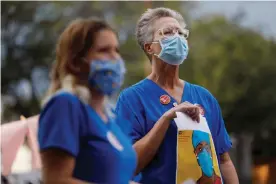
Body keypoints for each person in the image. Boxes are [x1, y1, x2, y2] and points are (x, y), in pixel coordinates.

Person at [115, 7, 239, 184]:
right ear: (149, 47)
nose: (177, 37)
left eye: (180, 33)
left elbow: (224, 160)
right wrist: (166, 119)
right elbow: (127, 165)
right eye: (167, 32)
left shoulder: (204, 97)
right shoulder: (132, 99)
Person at [38, 18, 137, 184]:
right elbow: (55, 180)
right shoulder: (65, 105)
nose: (115, 58)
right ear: (76, 62)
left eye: (117, 50)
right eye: (104, 50)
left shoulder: (110, 117)